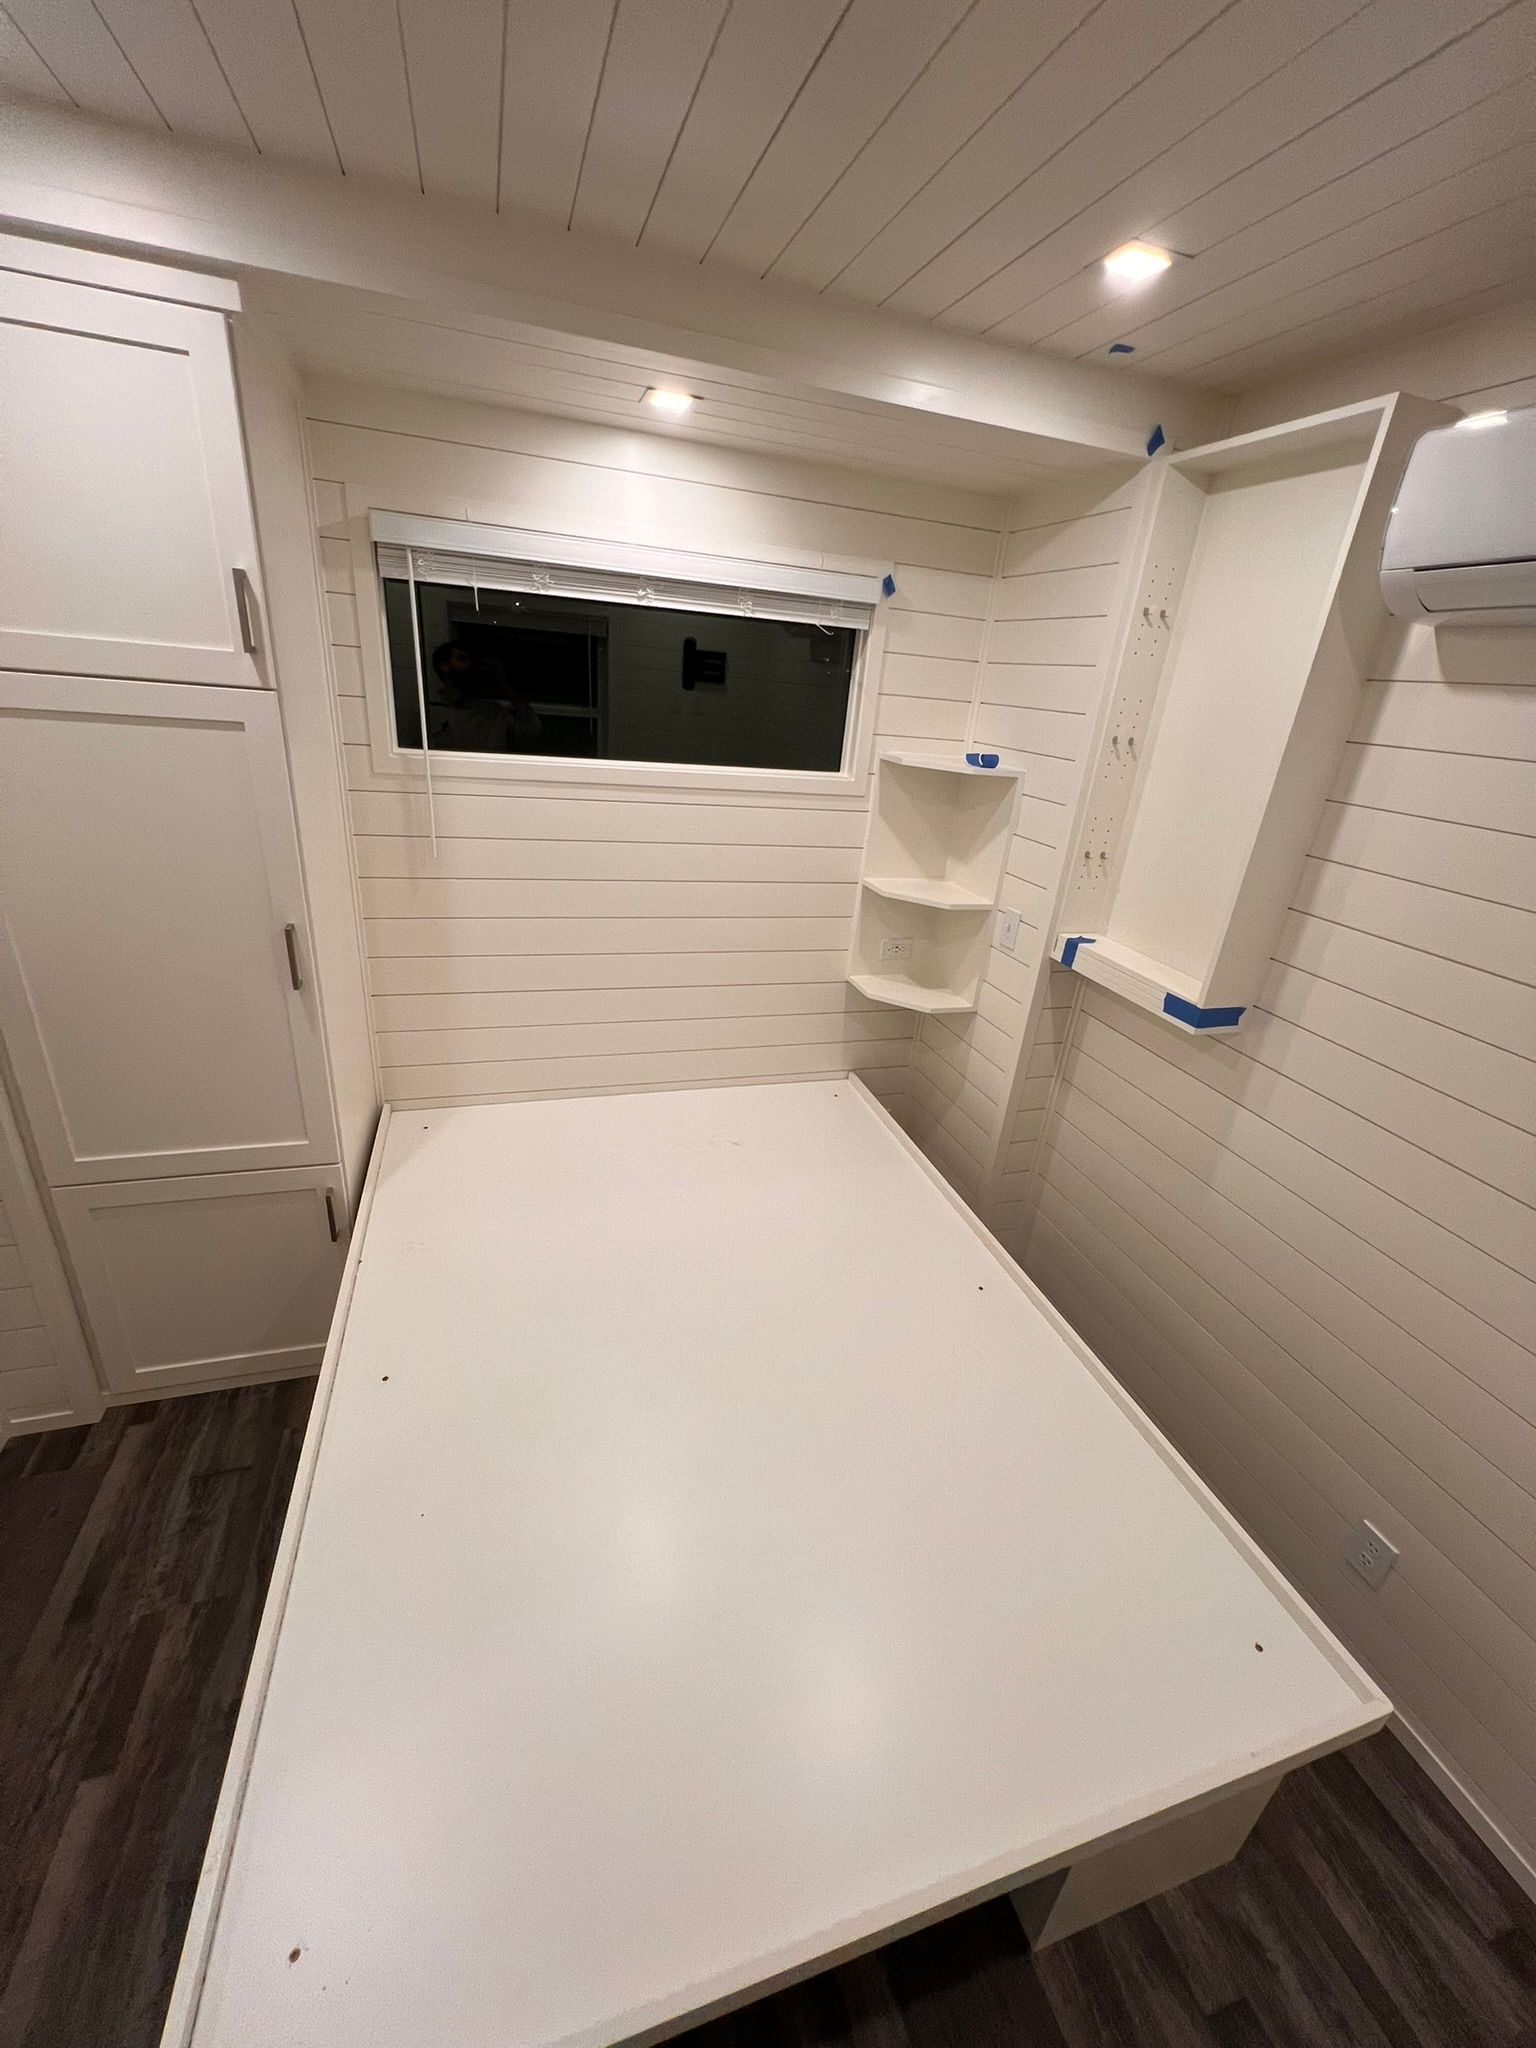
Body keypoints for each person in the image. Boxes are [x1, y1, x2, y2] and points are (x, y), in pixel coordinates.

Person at [427, 641, 543, 752]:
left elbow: (532, 729)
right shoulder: (428, 711)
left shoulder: (492, 712)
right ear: (444, 666)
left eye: (472, 660)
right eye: (462, 659)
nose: (469, 664)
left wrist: (504, 683)